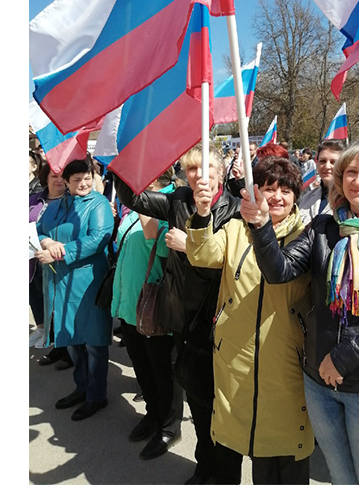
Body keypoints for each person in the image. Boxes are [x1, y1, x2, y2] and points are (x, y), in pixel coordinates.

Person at [241, 140, 359, 484]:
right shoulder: (322, 229)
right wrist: (262, 226)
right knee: (341, 477)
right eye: (351, 172)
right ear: (339, 179)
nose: (358, 181)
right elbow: (279, 271)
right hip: (319, 383)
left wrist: (342, 358)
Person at [115, 146, 242, 484]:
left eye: (206, 168)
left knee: (223, 404)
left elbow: (237, 264)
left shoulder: (236, 208)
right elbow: (133, 198)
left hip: (222, 318)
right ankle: (204, 466)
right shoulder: (178, 201)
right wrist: (125, 157)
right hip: (185, 316)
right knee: (197, 399)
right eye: (191, 169)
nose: (199, 175)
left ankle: (226, 475)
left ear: (220, 172)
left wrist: (191, 245)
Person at [185, 156, 314, 484]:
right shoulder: (235, 229)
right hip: (236, 356)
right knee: (254, 444)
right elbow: (202, 254)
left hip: (285, 358)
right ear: (255, 192)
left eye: (286, 190)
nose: (277, 197)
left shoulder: (307, 235)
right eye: (269, 189)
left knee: (287, 446)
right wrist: (202, 214)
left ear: (296, 197)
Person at [111, 167, 186, 461]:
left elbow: (158, 241)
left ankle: (170, 426)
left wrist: (141, 199)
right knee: (142, 367)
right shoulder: (134, 206)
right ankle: (153, 414)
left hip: (154, 308)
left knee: (163, 372)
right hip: (130, 305)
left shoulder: (171, 203)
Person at [34, 158, 114, 422]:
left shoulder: (98, 204)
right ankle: (82, 387)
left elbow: (98, 238)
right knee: (70, 339)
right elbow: (38, 229)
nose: (83, 183)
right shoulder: (58, 205)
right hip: (60, 282)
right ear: (66, 182)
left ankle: (97, 395)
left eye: (87, 178)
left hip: (88, 281)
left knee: (93, 341)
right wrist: (46, 242)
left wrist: (60, 253)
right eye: (77, 179)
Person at [30, 165, 73, 369]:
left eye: (62, 176)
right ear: (45, 179)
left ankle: (69, 351)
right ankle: (57, 344)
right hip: (34, 259)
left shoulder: (73, 201)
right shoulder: (34, 199)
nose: (58, 180)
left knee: (61, 306)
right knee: (45, 302)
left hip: (59, 260)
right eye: (54, 176)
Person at [298, 140, 344, 225]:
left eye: (333, 162)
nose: (327, 166)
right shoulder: (307, 197)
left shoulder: (349, 200)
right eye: (323, 161)